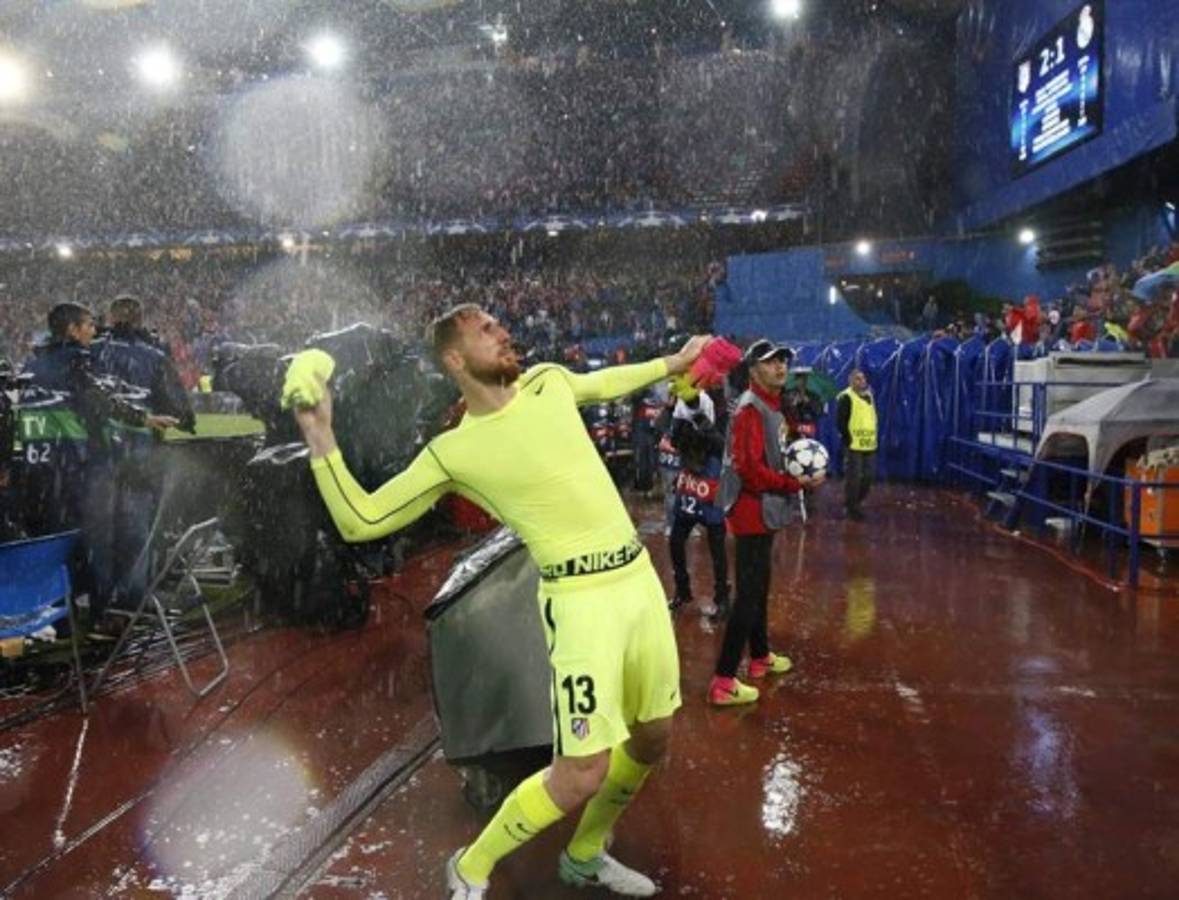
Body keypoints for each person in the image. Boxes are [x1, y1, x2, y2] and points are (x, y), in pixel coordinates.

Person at [283, 303, 712, 898]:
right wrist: (320, 434)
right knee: (580, 772)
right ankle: (471, 863)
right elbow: (362, 519)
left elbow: (607, 381)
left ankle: (585, 854)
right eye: (486, 330)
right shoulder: (453, 452)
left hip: (638, 583)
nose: (504, 332)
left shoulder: (549, 382)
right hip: (580, 604)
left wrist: (675, 361)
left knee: (651, 737)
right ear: (455, 359)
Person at [20, 302, 177, 626]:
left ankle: (57, 615)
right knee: (97, 542)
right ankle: (101, 614)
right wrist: (145, 419)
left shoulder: (32, 366)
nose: (94, 330)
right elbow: (101, 404)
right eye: (89, 325)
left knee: (54, 542)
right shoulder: (77, 362)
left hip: (42, 470)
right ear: (72, 330)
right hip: (80, 467)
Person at [708, 340, 821, 707]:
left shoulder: (773, 404)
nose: (781, 367)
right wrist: (795, 483)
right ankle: (723, 680)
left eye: (783, 361)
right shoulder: (749, 410)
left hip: (763, 510)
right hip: (750, 510)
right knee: (748, 596)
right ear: (754, 369)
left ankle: (759, 657)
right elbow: (751, 471)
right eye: (772, 363)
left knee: (759, 588)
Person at [666, 380, 729, 620]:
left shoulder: (715, 406)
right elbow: (673, 441)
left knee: (717, 547)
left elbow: (724, 448)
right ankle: (683, 591)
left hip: (711, 482)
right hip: (691, 482)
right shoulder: (680, 413)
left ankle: (722, 599)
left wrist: (706, 429)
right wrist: (675, 418)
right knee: (675, 541)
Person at [836, 369, 877, 522]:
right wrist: (848, 439)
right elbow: (840, 422)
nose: (862, 381)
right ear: (851, 381)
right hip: (853, 445)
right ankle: (851, 508)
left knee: (869, 476)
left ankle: (855, 502)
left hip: (870, 445)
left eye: (863, 378)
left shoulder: (869, 396)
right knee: (853, 479)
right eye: (857, 379)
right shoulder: (846, 397)